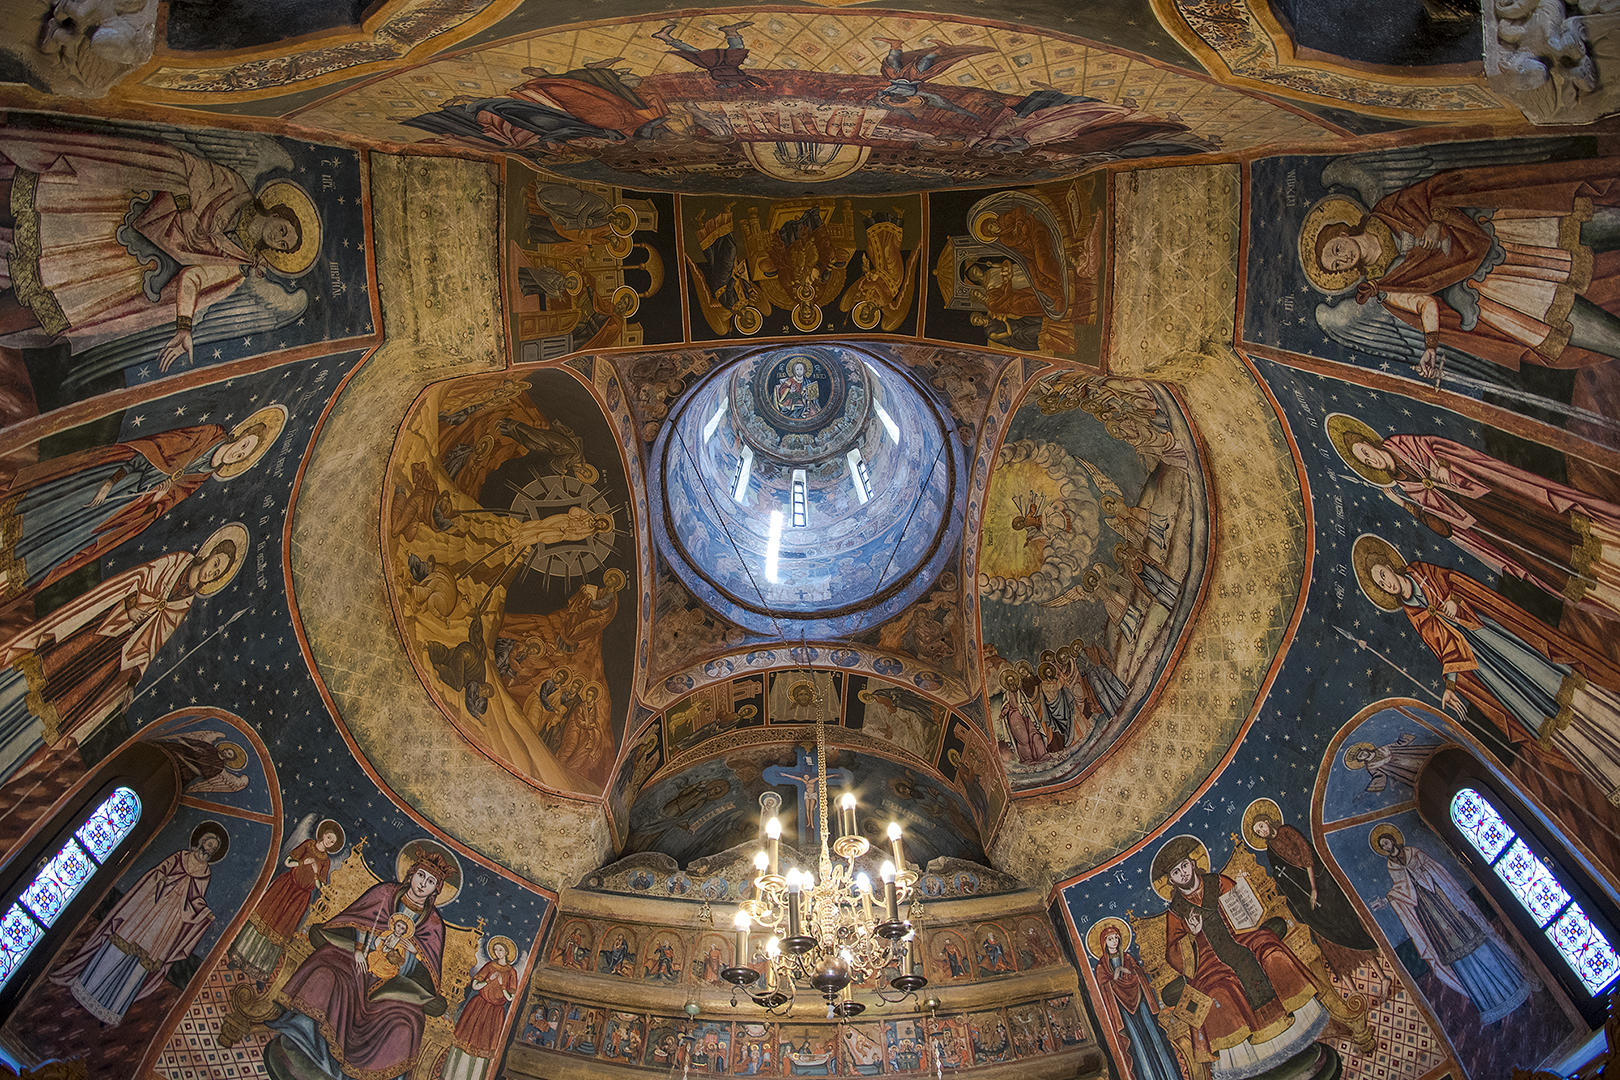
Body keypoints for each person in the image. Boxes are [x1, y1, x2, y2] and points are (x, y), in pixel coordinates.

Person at [0, 129, 317, 368]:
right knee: (40, 208)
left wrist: (184, 329)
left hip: (126, 267)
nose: (279, 239)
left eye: (283, 245)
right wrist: (185, 209)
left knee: (50, 288)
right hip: (122, 206)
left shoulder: (237, 263)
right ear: (277, 212)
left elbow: (193, 279)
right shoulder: (234, 186)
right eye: (284, 230)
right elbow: (184, 168)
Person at [1353, 533, 1620, 804]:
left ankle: (1605, 714)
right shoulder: (1413, 614)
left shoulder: (1422, 572)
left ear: (1390, 565)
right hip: (1478, 664)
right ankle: (1591, 753)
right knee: (1525, 705)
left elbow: (1460, 586)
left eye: (1383, 574)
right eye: (1380, 584)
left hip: (1486, 634)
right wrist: (1451, 685)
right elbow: (1443, 648)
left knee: (1542, 672)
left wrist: (1456, 601)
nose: (1386, 583)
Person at [1305, 158, 1620, 375]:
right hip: (1490, 286)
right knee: (1580, 323)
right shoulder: (1383, 285)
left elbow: (1435, 190)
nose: (1342, 259)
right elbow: (1424, 304)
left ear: (1343, 233)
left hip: (1493, 232)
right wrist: (1430, 348)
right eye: (1337, 266)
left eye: (1336, 250)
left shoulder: (1387, 211)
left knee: (1590, 227)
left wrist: (1436, 221)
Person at [0, 523, 247, 783]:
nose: (212, 572)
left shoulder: (187, 601)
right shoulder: (177, 562)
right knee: (52, 663)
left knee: (72, 700)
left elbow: (154, 640)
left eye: (218, 572)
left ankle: (18, 743)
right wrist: (130, 609)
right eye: (216, 563)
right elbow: (136, 578)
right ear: (208, 554)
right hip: (108, 626)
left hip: (120, 654)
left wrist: (132, 681)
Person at [1330, 414, 1620, 621]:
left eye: (1366, 452)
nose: (1370, 459)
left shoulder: (1401, 444)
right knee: (1528, 553)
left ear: (1370, 443)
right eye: (1365, 461)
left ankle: (1607, 547)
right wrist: (1405, 506)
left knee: (1540, 522)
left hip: (1483, 493)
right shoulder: (1403, 488)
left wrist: (1443, 466)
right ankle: (1600, 585)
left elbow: (1438, 448)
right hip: (1476, 524)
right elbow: (1440, 525)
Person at [0, 407, 281, 611]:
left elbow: (162, 507)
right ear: (238, 436)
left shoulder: (201, 478)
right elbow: (153, 449)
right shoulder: (207, 436)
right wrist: (111, 482)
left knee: (77, 536)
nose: (238, 453)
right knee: (64, 508)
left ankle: (13, 570)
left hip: (128, 510)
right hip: (123, 480)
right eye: (243, 445)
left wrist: (156, 499)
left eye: (244, 455)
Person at [264, 843, 459, 1080]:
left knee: (407, 1023)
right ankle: (303, 1050)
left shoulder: (433, 924)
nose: (422, 884)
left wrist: (413, 954)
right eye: (421, 875)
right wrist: (358, 950)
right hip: (358, 962)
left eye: (430, 881)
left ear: (436, 889)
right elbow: (358, 920)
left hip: (395, 983)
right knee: (325, 972)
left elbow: (427, 971)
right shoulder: (385, 893)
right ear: (411, 873)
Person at [1151, 835, 1322, 1062]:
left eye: (1184, 866)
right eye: (1176, 872)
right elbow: (1173, 954)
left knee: (1269, 948)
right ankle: (1248, 1058)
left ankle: (1301, 1024)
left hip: (1241, 937)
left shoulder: (1218, 882)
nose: (1183, 873)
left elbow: (1244, 908)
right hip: (1207, 958)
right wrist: (1191, 935)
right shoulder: (1176, 911)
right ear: (1171, 881)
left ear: (1192, 863)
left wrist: (1246, 899)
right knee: (1217, 988)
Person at [55, 822, 227, 1025]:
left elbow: (196, 899)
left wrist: (206, 913)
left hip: (169, 922)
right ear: (201, 841)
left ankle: (111, 1009)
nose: (209, 849)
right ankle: (85, 991)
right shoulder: (181, 857)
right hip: (149, 908)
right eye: (209, 843)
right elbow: (159, 872)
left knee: (139, 966)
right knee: (117, 948)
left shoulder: (205, 874)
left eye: (213, 848)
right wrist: (163, 880)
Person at [1369, 824, 1534, 1023]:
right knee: (1457, 959)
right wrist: (1389, 898)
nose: (1387, 846)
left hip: (1445, 903)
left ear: (1393, 839)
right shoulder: (1392, 866)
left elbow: (1435, 869)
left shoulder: (1413, 852)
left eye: (1387, 842)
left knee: (1478, 944)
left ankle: (1514, 989)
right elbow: (1401, 888)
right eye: (1383, 845)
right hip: (1429, 915)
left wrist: (1423, 873)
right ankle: (1490, 1007)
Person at [1244, 801, 1380, 980]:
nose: (1261, 832)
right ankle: (1350, 983)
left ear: (1268, 821)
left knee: (1346, 923)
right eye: (1258, 832)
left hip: (1320, 882)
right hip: (1305, 897)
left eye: (1261, 826)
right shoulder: (1271, 852)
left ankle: (1380, 973)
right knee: (1325, 935)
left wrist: (1314, 888)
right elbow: (1282, 877)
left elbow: (1307, 854)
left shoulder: (1287, 831)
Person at [231, 819, 344, 979]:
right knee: (266, 918)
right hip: (286, 886)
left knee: (281, 931)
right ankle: (238, 957)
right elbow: (288, 862)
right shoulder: (308, 845)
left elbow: (320, 886)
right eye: (329, 837)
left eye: (332, 842)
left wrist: (315, 871)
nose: (329, 842)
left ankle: (261, 971)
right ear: (323, 834)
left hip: (300, 898)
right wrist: (302, 862)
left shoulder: (326, 861)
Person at [1087, 918, 1181, 1080]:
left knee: (1154, 1037)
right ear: (1104, 943)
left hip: (1140, 1004)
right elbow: (1104, 987)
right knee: (1137, 1044)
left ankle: (1169, 1075)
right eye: (1110, 939)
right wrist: (1114, 979)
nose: (1114, 941)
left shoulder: (1128, 958)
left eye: (1116, 938)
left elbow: (1139, 975)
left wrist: (1127, 973)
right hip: (1123, 1010)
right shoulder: (1102, 966)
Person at [452, 936, 519, 1060]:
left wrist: (502, 985)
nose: (497, 953)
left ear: (506, 952)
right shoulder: (490, 966)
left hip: (495, 1012)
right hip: (479, 1005)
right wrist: (488, 980)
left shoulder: (511, 972)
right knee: (466, 1037)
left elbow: (511, 998)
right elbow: (475, 986)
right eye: (495, 950)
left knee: (484, 1043)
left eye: (500, 950)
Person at [651, 21, 767, 89]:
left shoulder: (725, 77)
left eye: (732, 83)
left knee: (694, 52)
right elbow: (739, 82)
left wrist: (731, 84)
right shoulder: (737, 78)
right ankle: (730, 31)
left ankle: (665, 37)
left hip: (716, 63)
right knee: (737, 49)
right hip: (726, 63)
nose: (734, 83)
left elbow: (722, 85)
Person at [1343, 732, 1433, 795]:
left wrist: (1404, 739)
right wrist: (1374, 785)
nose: (1363, 754)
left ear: (1365, 749)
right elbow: (1379, 775)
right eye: (1360, 756)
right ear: (1360, 760)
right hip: (1399, 769)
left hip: (1405, 755)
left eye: (1362, 752)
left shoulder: (1380, 749)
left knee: (1423, 757)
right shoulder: (1371, 767)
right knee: (1415, 777)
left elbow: (1395, 745)